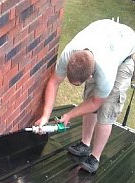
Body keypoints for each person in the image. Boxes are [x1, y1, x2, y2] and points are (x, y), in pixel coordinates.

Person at [35, 19, 135, 173]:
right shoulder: (70, 54)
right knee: (89, 97)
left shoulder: (105, 73)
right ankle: (84, 144)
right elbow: (54, 82)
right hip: (105, 33)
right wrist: (45, 116)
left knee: (107, 110)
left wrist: (69, 115)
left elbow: (96, 103)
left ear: (90, 76)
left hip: (125, 50)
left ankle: (95, 156)